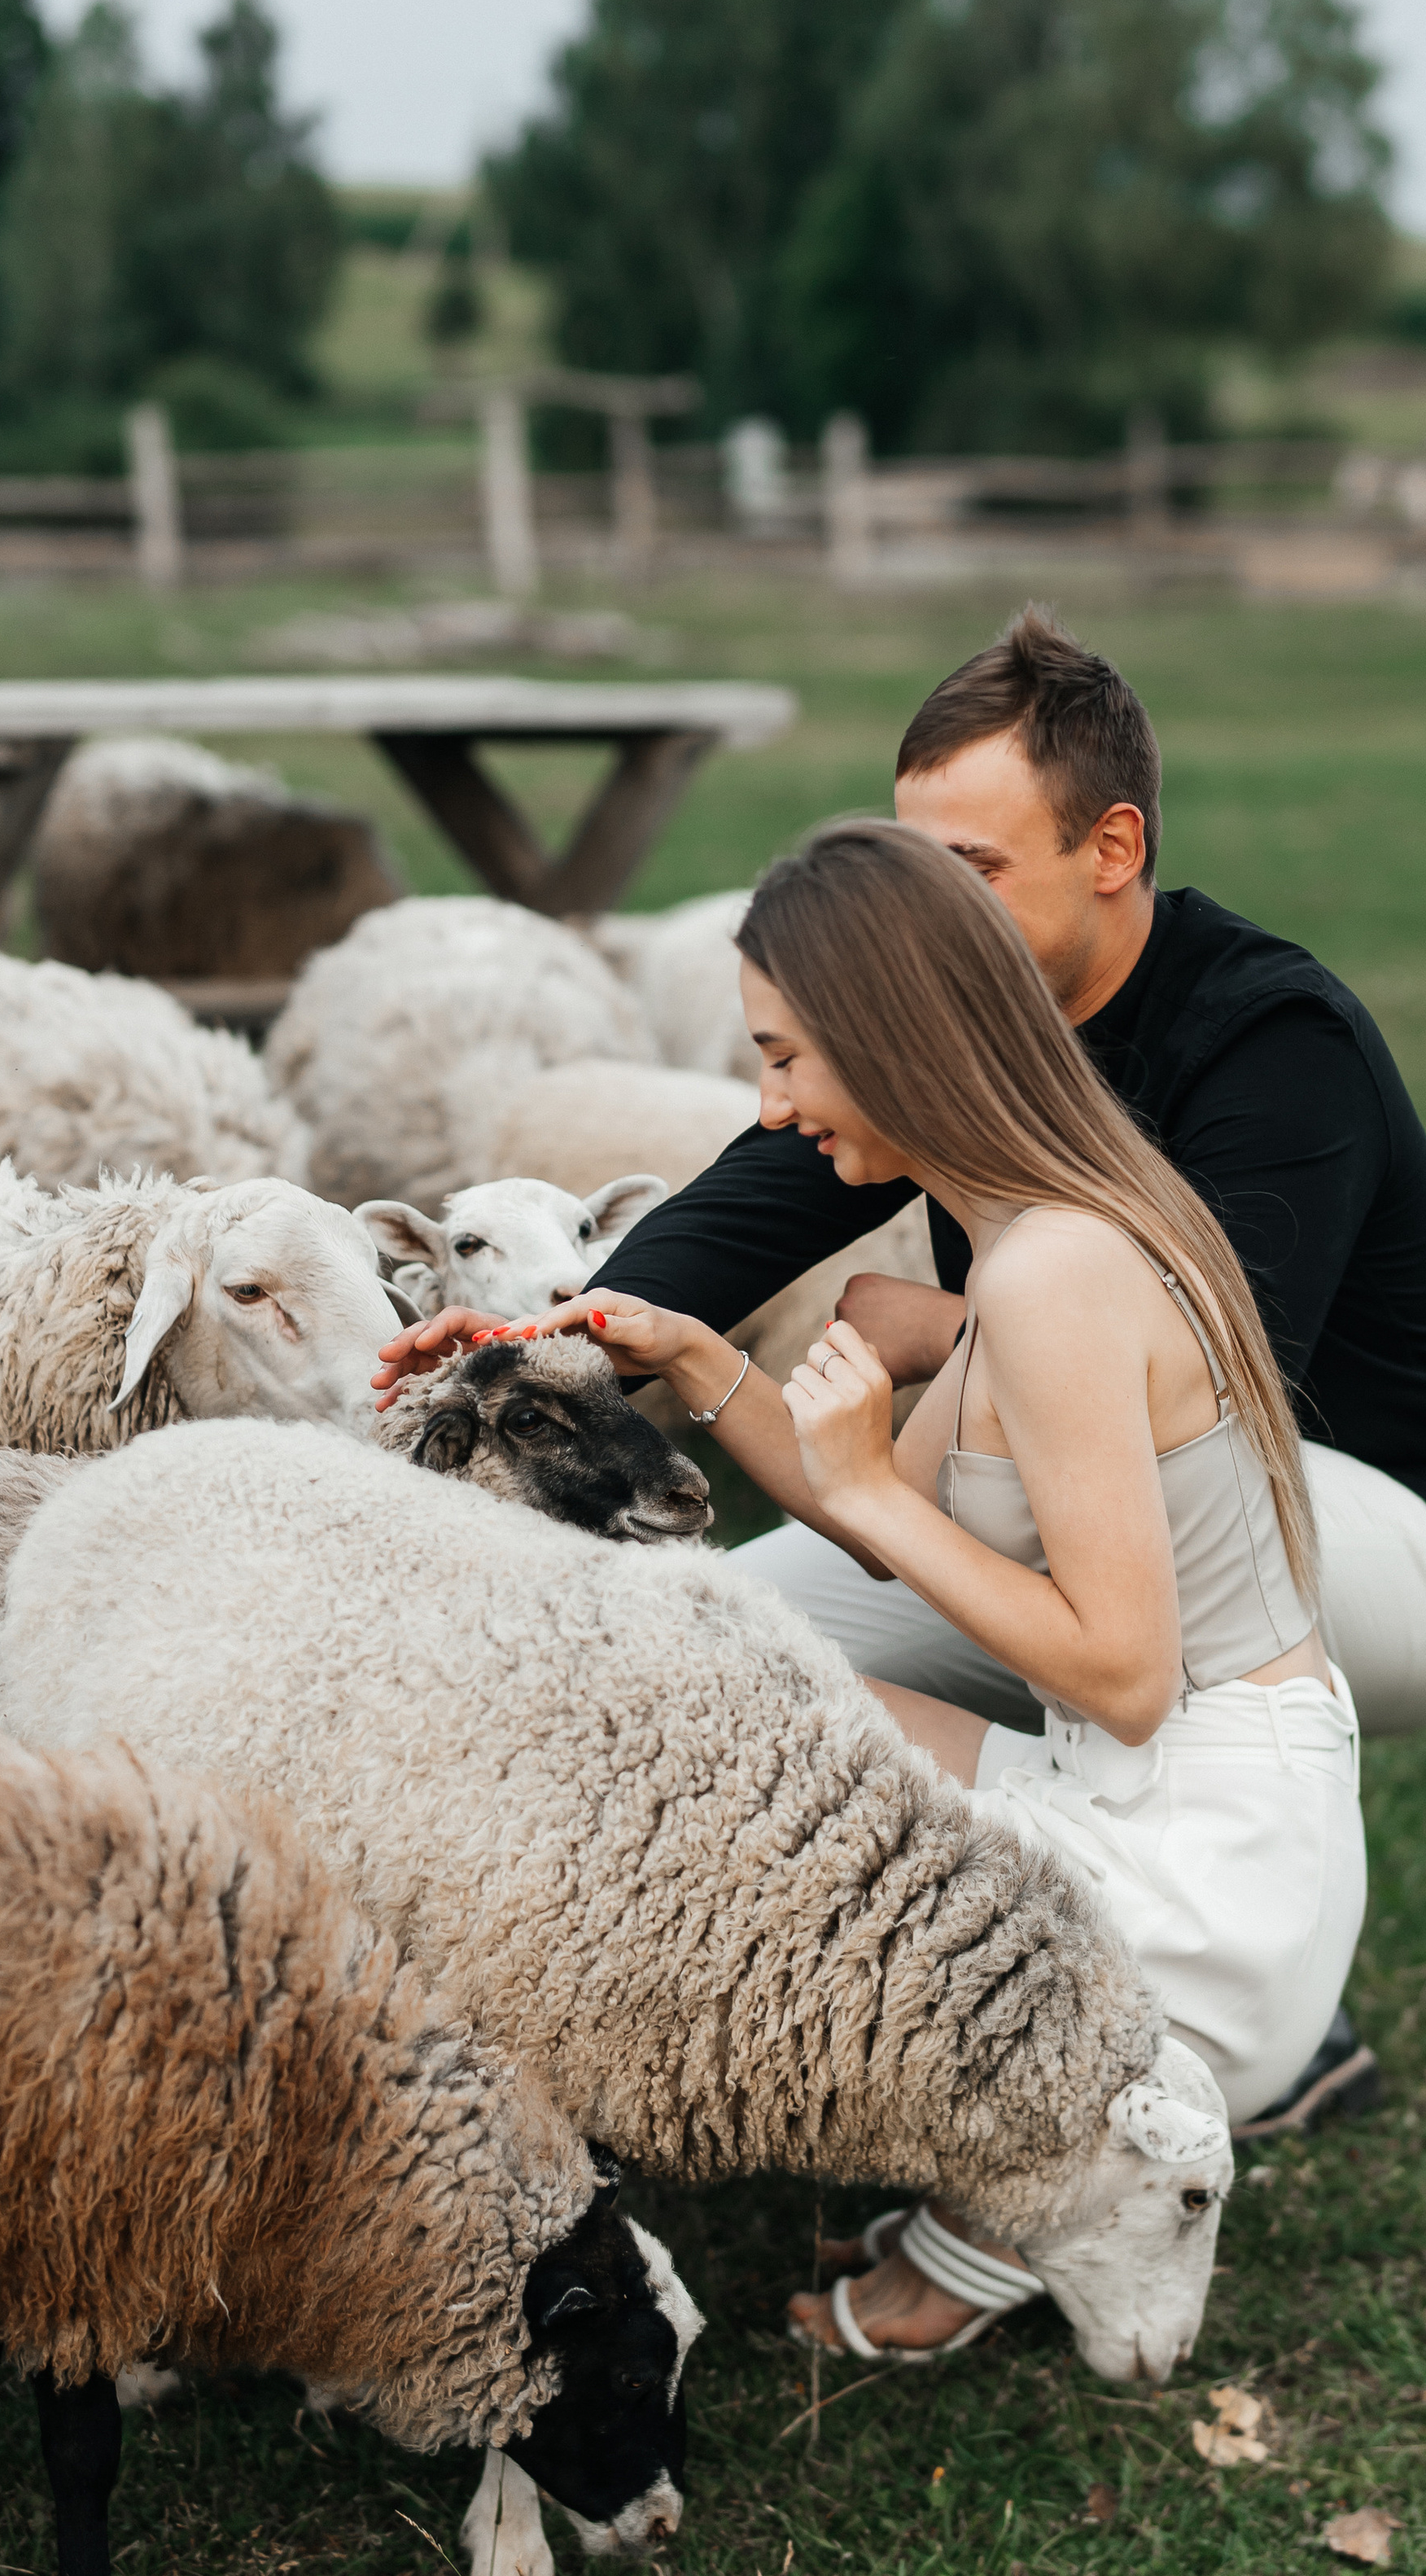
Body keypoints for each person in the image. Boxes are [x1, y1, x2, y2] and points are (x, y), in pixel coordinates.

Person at [378, 606, 1426, 2132]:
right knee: (719, 1655)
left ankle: (1218, 1985)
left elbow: (1211, 1377)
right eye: (918, 865)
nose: (936, 913)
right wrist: (548, 1345)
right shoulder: (943, 1028)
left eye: (980, 874)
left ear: (1114, 848)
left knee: (1069, 1586)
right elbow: (756, 1197)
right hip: (1096, 1454)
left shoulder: (1274, 1039)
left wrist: (939, 1331)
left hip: (1411, 1519)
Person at [481, 817, 1367, 2361]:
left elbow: (1124, 1672)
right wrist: (703, 1365)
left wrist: (879, 1481)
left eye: (784, 1060)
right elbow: (901, 1541)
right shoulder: (1036, 1224)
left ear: (895, 1039)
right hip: (1168, 1792)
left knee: (742, 1781)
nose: (769, 1109)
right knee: (740, 1707)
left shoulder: (1056, 1274)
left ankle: (1023, 2175)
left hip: (1212, 1879)